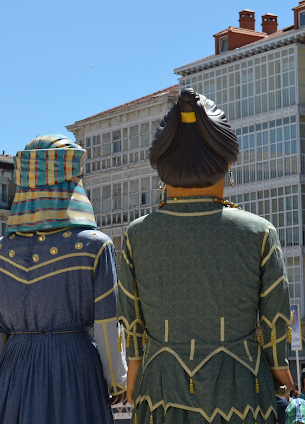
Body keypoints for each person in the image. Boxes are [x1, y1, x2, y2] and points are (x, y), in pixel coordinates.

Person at [117, 88, 294, 423]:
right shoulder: (259, 232)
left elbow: (132, 321)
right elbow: (275, 319)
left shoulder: (137, 234)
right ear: (226, 162)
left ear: (162, 166)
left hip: (161, 391)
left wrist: (135, 376)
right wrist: (282, 372)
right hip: (242, 391)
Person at [0, 134, 127, 424]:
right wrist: (116, 380)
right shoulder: (96, 246)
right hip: (73, 370)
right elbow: (107, 324)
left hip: (12, 371)